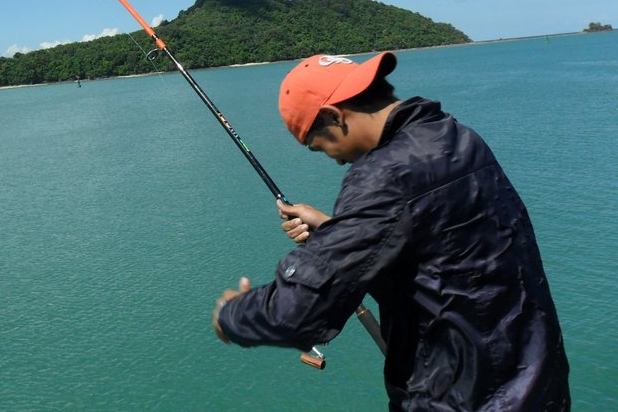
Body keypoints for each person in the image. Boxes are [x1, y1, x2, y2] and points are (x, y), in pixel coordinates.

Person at [212, 52, 570, 410]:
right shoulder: (456, 137)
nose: (336, 159)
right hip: (537, 385)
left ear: (333, 116)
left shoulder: (384, 175)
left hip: (467, 399)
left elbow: (298, 312)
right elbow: (446, 254)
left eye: (321, 147)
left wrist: (233, 315)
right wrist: (337, 230)